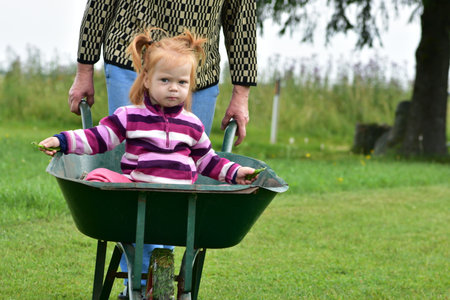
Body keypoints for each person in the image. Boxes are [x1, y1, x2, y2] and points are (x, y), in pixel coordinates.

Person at [39, 29, 259, 298]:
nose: (173, 88)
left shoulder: (192, 125)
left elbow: (208, 160)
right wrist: (63, 141)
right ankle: (137, 288)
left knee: (171, 241)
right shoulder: (131, 117)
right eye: (165, 80)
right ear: (146, 80)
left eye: (181, 82)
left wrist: (236, 173)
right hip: (138, 203)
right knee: (120, 207)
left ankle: (172, 287)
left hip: (180, 207)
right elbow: (100, 138)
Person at [68, 0, 257, 145]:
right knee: (127, 151)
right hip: (133, 57)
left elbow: (242, 17)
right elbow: (100, 5)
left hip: (197, 71)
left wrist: (241, 95)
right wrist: (84, 71)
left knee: (190, 160)